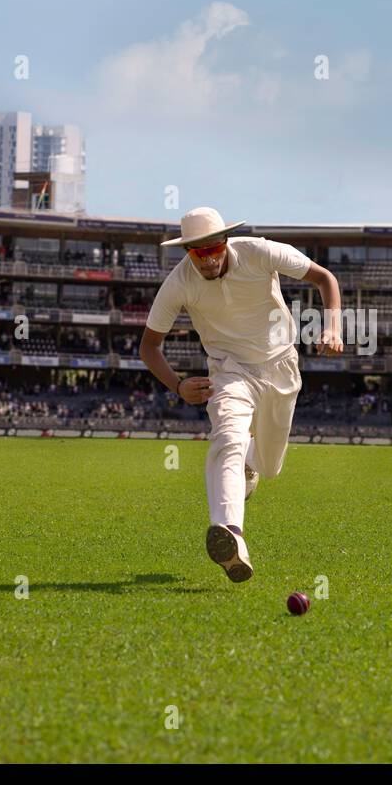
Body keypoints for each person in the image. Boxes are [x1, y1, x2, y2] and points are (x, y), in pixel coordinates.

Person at [140, 207, 343, 582]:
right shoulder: (179, 282)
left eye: (214, 248)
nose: (209, 258)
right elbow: (149, 346)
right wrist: (179, 385)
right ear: (187, 252)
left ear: (224, 241)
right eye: (198, 252)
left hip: (281, 365)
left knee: (269, 465)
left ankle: (252, 466)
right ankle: (232, 536)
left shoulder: (260, 251)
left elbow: (323, 278)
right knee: (228, 437)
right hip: (229, 371)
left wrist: (332, 327)